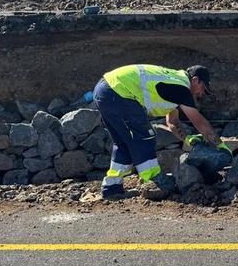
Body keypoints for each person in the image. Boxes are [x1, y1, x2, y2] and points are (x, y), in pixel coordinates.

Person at [92, 63, 227, 199]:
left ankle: (112, 188)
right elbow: (200, 123)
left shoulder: (175, 84)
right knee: (145, 137)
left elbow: (172, 121)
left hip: (104, 90)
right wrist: (220, 145)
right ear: (195, 80)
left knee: (123, 143)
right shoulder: (182, 89)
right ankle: (155, 182)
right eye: (203, 88)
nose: (202, 94)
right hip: (119, 91)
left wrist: (186, 138)